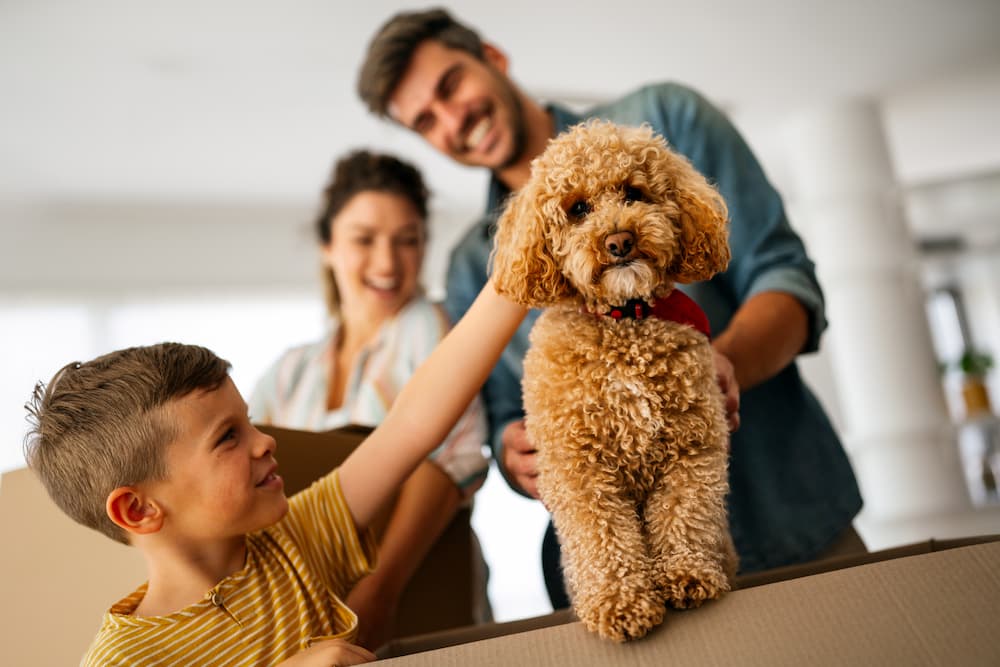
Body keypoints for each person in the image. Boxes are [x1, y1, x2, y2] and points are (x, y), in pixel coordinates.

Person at [356, 7, 865, 609]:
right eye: (425, 120)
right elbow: (498, 419)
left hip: (791, 516)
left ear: (492, 57)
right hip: (626, 575)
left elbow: (786, 277)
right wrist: (518, 450)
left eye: (450, 85)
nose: (452, 119)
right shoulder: (476, 264)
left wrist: (715, 366)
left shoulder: (667, 120)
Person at [23, 282, 526, 666]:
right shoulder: (123, 659)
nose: (265, 442)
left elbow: (413, 425)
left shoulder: (294, 543)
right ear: (138, 509)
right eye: (228, 437)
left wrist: (513, 278)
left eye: (251, 423)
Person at [249, 149, 490, 648]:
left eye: (408, 241)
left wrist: (379, 592)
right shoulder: (289, 372)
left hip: (415, 590)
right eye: (364, 239)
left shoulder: (436, 333)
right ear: (327, 245)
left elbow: (450, 460)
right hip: (305, 611)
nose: (387, 262)